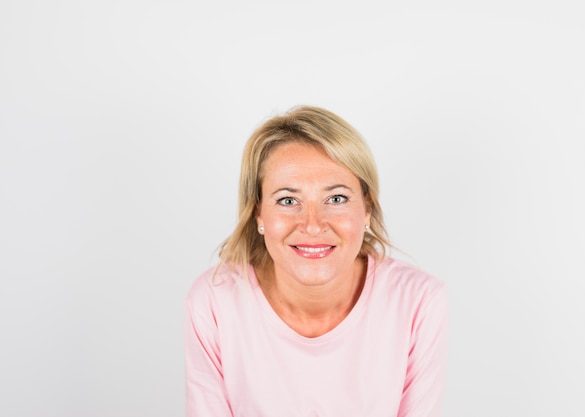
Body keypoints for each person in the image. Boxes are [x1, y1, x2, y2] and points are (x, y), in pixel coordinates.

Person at [184, 105, 448, 416]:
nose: (312, 225)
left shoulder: (418, 301)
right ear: (258, 213)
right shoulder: (214, 300)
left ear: (367, 210)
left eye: (336, 199)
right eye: (288, 200)